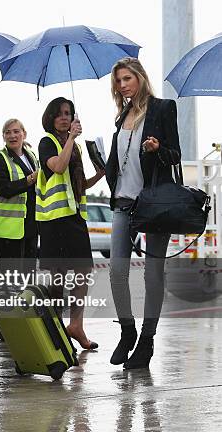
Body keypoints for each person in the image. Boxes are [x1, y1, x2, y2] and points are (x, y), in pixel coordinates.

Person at [106, 57, 180, 369]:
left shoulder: (163, 108)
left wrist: (156, 149)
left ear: (139, 77)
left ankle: (146, 341)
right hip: (124, 202)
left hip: (154, 203)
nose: (123, 86)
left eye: (127, 79)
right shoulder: (121, 116)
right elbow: (118, 160)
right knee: (116, 272)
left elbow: (176, 154)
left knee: (152, 274)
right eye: (118, 82)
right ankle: (127, 331)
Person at [36, 97, 105, 350]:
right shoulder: (48, 141)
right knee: (57, 276)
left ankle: (76, 324)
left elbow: (79, 185)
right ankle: (56, 330)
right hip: (54, 220)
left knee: (83, 271)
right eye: (60, 114)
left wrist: (100, 173)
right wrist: (72, 139)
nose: (65, 117)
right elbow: (57, 167)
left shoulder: (72, 146)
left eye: (68, 113)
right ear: (51, 118)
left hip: (74, 217)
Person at [0, 118, 39, 261]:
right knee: (9, 280)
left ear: (24, 134)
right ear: (3, 137)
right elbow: (3, 189)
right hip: (6, 231)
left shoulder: (32, 156)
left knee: (28, 279)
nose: (12, 136)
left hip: (30, 227)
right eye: (7, 133)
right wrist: (30, 179)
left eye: (16, 131)